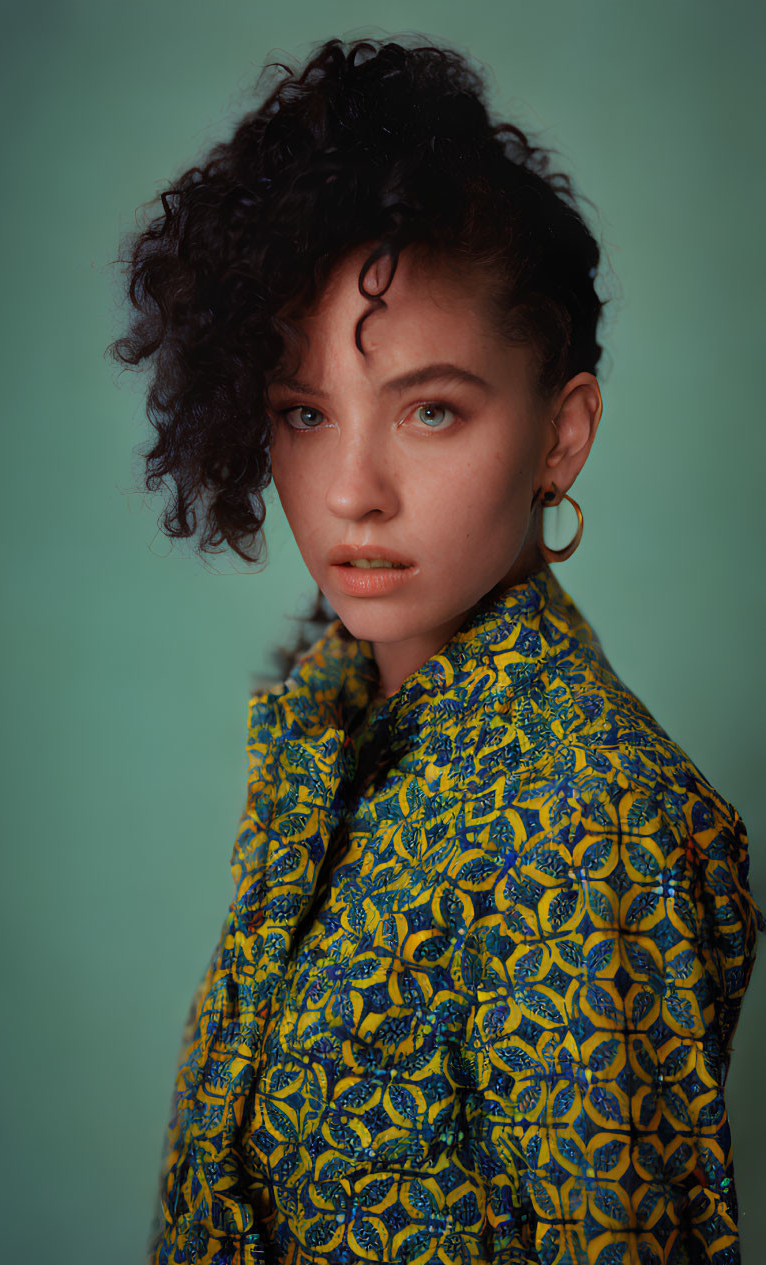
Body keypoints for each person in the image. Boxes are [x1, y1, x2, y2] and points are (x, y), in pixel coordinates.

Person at [109, 35, 765, 1265]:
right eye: (304, 414)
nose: (352, 490)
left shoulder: (586, 819)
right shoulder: (332, 728)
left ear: (560, 435)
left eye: (430, 410)